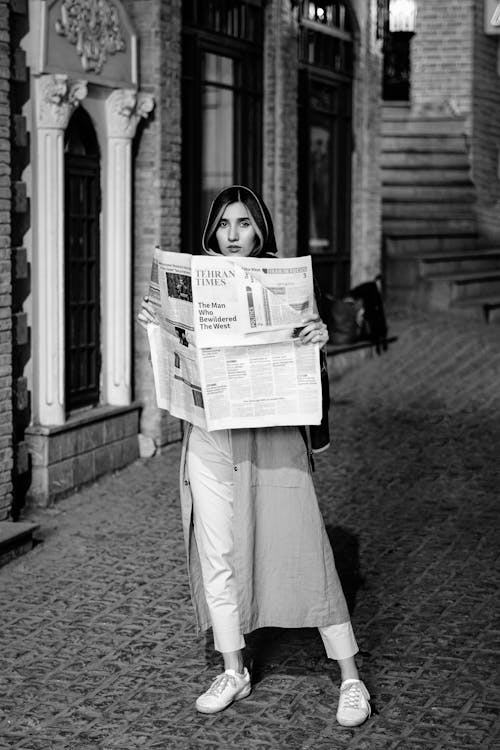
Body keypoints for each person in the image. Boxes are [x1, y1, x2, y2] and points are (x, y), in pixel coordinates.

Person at [138, 185, 371, 727]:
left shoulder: (285, 281)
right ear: (212, 230)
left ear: (260, 227)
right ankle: (233, 667)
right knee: (216, 554)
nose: (234, 235)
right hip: (208, 437)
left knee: (307, 548)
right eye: (224, 224)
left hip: (270, 436)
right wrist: (155, 320)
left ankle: (352, 678)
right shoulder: (195, 280)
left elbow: (307, 361)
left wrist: (317, 336)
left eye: (243, 223)